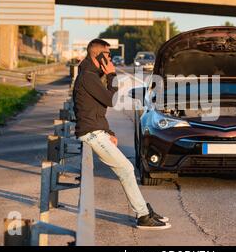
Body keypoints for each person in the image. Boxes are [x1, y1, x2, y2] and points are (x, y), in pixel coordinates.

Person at [73, 38, 171, 230]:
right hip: (91, 134)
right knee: (126, 169)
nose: (111, 60)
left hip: (97, 131)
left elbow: (96, 108)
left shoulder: (91, 75)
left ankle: (144, 210)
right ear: (98, 56)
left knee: (126, 169)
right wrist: (111, 75)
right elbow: (112, 100)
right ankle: (143, 215)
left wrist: (108, 130)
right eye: (108, 56)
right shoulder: (88, 77)